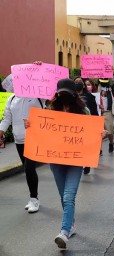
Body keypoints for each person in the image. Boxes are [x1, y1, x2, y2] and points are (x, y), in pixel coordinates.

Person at [24, 79, 106, 249]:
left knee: (69, 196)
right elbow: (42, 131)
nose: (63, 96)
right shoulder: (50, 109)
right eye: (60, 93)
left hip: (76, 161)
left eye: (66, 93)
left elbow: (91, 133)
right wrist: (31, 126)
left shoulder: (84, 111)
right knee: (64, 196)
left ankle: (64, 231)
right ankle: (72, 224)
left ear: (74, 94)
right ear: (57, 93)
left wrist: (100, 134)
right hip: (56, 160)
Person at [0, 64, 45, 213]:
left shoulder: (37, 96)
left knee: (29, 168)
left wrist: (39, 68)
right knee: (27, 170)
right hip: (19, 139)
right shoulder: (11, 99)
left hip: (34, 137)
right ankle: (33, 197)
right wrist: (1, 131)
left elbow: (48, 87)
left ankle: (34, 199)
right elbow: (7, 118)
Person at [74, 77, 99, 174]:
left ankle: (87, 163)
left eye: (80, 82)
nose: (78, 83)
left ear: (83, 85)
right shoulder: (71, 97)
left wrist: (96, 125)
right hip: (75, 126)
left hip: (87, 125)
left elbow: (94, 112)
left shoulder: (90, 97)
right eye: (76, 82)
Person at [99, 70, 114, 153]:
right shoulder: (95, 88)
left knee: (109, 131)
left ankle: (111, 142)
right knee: (98, 132)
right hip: (98, 112)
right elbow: (85, 83)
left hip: (108, 112)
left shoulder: (111, 88)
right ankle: (99, 149)